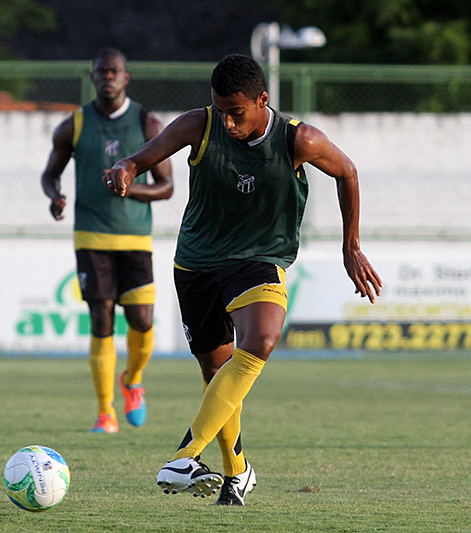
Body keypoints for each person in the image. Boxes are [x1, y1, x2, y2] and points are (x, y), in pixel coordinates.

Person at [104, 53, 382, 504]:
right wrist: (124, 170)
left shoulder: (300, 140)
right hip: (196, 264)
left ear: (262, 100)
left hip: (259, 257)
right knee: (217, 372)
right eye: (221, 110)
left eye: (237, 112)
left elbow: (347, 171)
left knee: (263, 339)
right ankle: (238, 471)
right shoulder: (200, 124)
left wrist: (350, 246)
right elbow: (140, 159)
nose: (228, 123)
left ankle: (185, 454)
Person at [41, 48, 173, 433]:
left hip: (135, 239)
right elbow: (50, 174)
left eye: (115, 71)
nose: (108, 77)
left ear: (126, 77)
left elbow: (166, 187)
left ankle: (132, 380)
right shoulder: (75, 125)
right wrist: (54, 195)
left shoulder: (148, 123)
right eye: (102, 71)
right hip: (92, 236)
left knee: (143, 322)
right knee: (101, 322)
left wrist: (131, 188)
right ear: (93, 76)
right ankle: (105, 412)